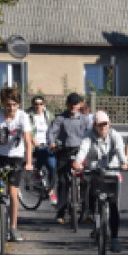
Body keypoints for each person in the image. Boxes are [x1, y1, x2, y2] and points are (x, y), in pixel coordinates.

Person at [73, 110, 128, 253]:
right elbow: (83, 150)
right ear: (95, 126)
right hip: (94, 170)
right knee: (91, 188)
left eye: (105, 124)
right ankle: (91, 212)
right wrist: (78, 162)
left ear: (109, 124)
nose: (103, 127)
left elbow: (120, 150)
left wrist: (124, 162)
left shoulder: (114, 135)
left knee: (114, 205)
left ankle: (115, 239)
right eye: (100, 125)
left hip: (112, 170)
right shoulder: (88, 136)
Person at [0, 87, 34, 242]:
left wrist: (28, 162)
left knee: (13, 193)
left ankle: (13, 227)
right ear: (3, 104)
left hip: (15, 157)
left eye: (14, 105)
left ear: (18, 105)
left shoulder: (23, 117)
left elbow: (28, 142)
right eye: (8, 105)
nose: (11, 108)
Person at [48, 92, 91, 224]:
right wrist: (52, 142)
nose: (73, 106)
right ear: (67, 104)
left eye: (76, 103)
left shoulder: (84, 119)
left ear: (79, 105)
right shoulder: (60, 118)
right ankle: (61, 212)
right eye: (71, 103)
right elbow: (51, 132)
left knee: (86, 181)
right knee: (63, 181)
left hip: (80, 152)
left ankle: (86, 213)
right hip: (64, 151)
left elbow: (90, 133)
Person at [27, 95, 56, 204]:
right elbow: (26, 131)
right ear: (33, 105)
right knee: (42, 154)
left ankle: (51, 191)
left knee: (53, 167)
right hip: (35, 145)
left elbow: (54, 129)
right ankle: (37, 174)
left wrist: (53, 142)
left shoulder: (49, 116)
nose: (38, 106)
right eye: (36, 104)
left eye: (40, 104)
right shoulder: (28, 116)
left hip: (48, 145)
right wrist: (33, 140)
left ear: (43, 105)